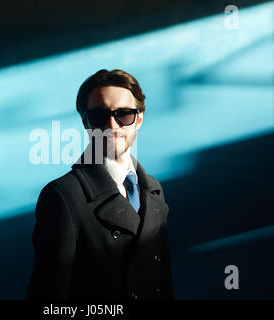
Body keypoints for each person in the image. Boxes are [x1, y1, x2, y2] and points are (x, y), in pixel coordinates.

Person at [27, 69, 173, 300]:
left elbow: (162, 284)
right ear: (85, 121)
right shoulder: (64, 196)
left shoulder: (153, 190)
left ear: (139, 120)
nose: (112, 126)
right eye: (99, 116)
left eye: (124, 115)